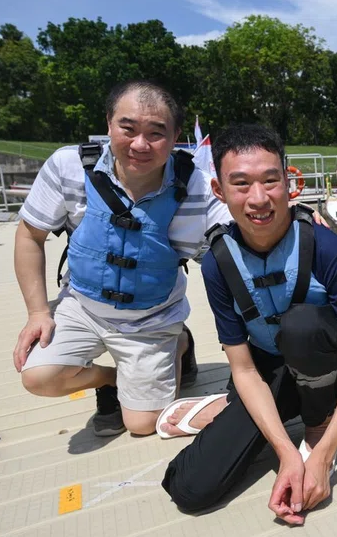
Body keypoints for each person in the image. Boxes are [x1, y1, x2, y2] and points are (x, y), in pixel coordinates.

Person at [160, 123, 337, 523]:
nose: (258, 198)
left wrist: (322, 454)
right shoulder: (217, 264)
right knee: (190, 489)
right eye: (240, 184)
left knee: (302, 324)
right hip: (264, 374)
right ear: (219, 191)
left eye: (270, 181)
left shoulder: (323, 245)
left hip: (320, 365)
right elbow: (242, 367)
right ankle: (232, 406)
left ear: (288, 182)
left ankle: (317, 424)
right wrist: (286, 455)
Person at [12, 80, 231, 436]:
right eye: (127, 129)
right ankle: (111, 380)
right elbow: (29, 235)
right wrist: (38, 313)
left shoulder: (200, 190)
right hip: (81, 305)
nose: (140, 145)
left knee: (144, 425)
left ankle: (179, 342)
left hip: (152, 316)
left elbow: (246, 240)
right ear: (109, 124)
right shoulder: (68, 166)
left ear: (176, 136)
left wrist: (295, 221)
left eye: (156, 133)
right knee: (38, 377)